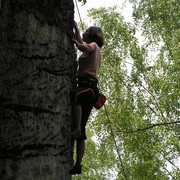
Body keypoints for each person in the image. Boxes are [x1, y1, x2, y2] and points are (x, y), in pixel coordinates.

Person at [70, 21, 104, 175]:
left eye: (86, 31)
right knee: (83, 129)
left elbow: (84, 46)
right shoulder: (91, 49)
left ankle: (76, 129)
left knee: (75, 95)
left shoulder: (94, 47)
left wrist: (76, 43)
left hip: (88, 87)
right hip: (89, 89)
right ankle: (78, 164)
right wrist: (76, 29)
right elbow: (82, 42)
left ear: (93, 36)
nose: (84, 32)